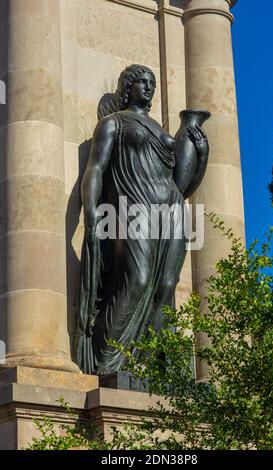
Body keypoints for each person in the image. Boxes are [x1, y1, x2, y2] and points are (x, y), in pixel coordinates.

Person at [76, 64, 209, 375]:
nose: (149, 88)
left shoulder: (160, 131)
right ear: (127, 87)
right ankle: (108, 361)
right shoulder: (113, 124)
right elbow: (95, 168)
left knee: (166, 286)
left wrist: (201, 155)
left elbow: (183, 185)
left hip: (171, 209)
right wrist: (91, 211)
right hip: (133, 208)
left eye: (152, 83)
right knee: (137, 279)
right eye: (142, 82)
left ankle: (158, 370)